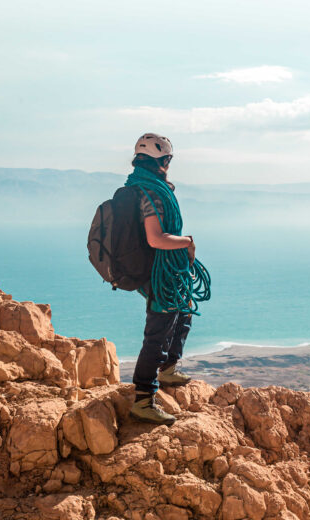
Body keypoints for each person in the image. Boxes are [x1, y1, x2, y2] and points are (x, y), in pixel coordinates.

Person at [127, 133, 197, 426]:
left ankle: (167, 368)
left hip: (158, 268)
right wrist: (187, 243)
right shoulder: (151, 192)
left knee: (183, 308)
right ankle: (143, 398)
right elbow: (156, 239)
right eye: (168, 159)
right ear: (164, 161)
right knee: (157, 331)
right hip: (157, 269)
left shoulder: (140, 186)